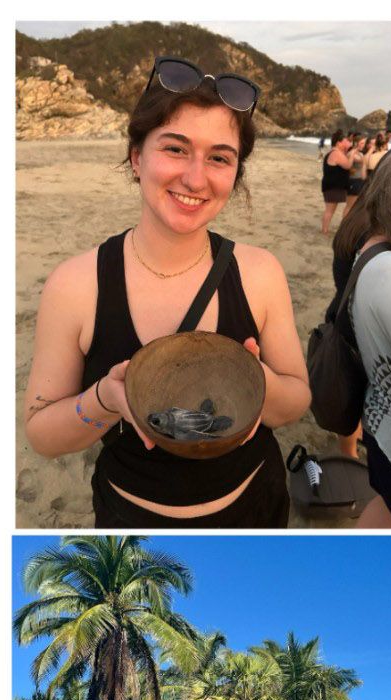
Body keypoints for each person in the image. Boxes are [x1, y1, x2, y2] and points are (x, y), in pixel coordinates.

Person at [25, 56, 309, 527]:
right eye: (176, 149)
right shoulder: (75, 285)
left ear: (235, 173)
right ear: (137, 157)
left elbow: (296, 399)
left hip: (256, 506)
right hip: (131, 523)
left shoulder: (260, 272)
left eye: (219, 157)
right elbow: (41, 434)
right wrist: (105, 399)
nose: (196, 178)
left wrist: (254, 379)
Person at [329, 150, 391, 528]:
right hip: (389, 426)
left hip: (376, 412)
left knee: (389, 505)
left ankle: (349, 455)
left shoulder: (360, 232)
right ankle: (348, 457)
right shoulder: (388, 268)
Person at [321, 129, 353, 234]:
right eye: (345, 141)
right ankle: (324, 230)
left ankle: (325, 229)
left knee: (330, 210)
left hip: (332, 185)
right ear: (339, 143)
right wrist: (353, 153)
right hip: (332, 186)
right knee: (330, 210)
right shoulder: (336, 153)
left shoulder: (336, 152)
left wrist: (347, 149)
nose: (347, 142)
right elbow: (348, 165)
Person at [346, 134, 370, 209]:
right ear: (356, 143)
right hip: (353, 181)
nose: (364, 145)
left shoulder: (360, 153)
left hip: (359, 181)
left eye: (364, 143)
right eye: (362, 143)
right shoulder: (352, 153)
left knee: (354, 206)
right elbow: (348, 166)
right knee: (350, 206)